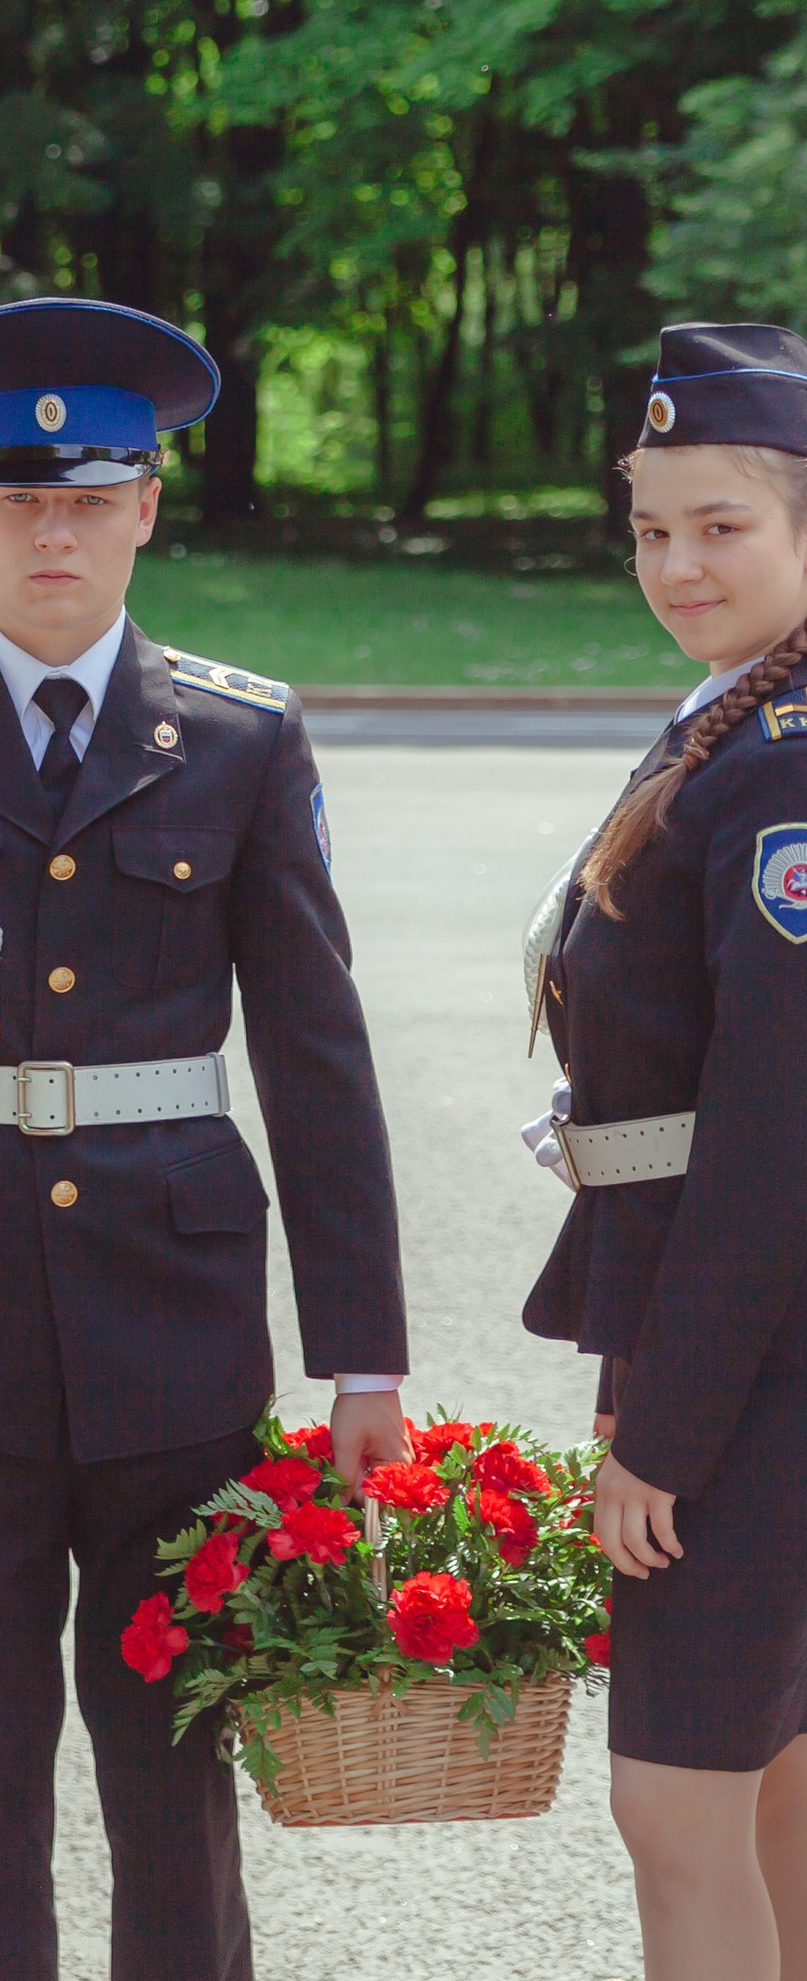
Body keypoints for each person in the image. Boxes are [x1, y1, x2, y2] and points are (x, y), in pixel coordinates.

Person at [0, 296, 411, 1981]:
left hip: (174, 1333)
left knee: (175, 1768)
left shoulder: (242, 734)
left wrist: (363, 1358)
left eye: (91, 494)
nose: (56, 527)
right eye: (19, 494)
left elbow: (319, 1057)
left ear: (146, 506)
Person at [519, 322, 807, 1981]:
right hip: (727, 1352)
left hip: (762, 1379)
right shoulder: (728, 725)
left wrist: (666, 1435)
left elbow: (772, 1153)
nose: (676, 564)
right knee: (769, 1792)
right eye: (650, 527)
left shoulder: (778, 770)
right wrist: (638, 1370)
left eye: (721, 526)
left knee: (678, 1817)